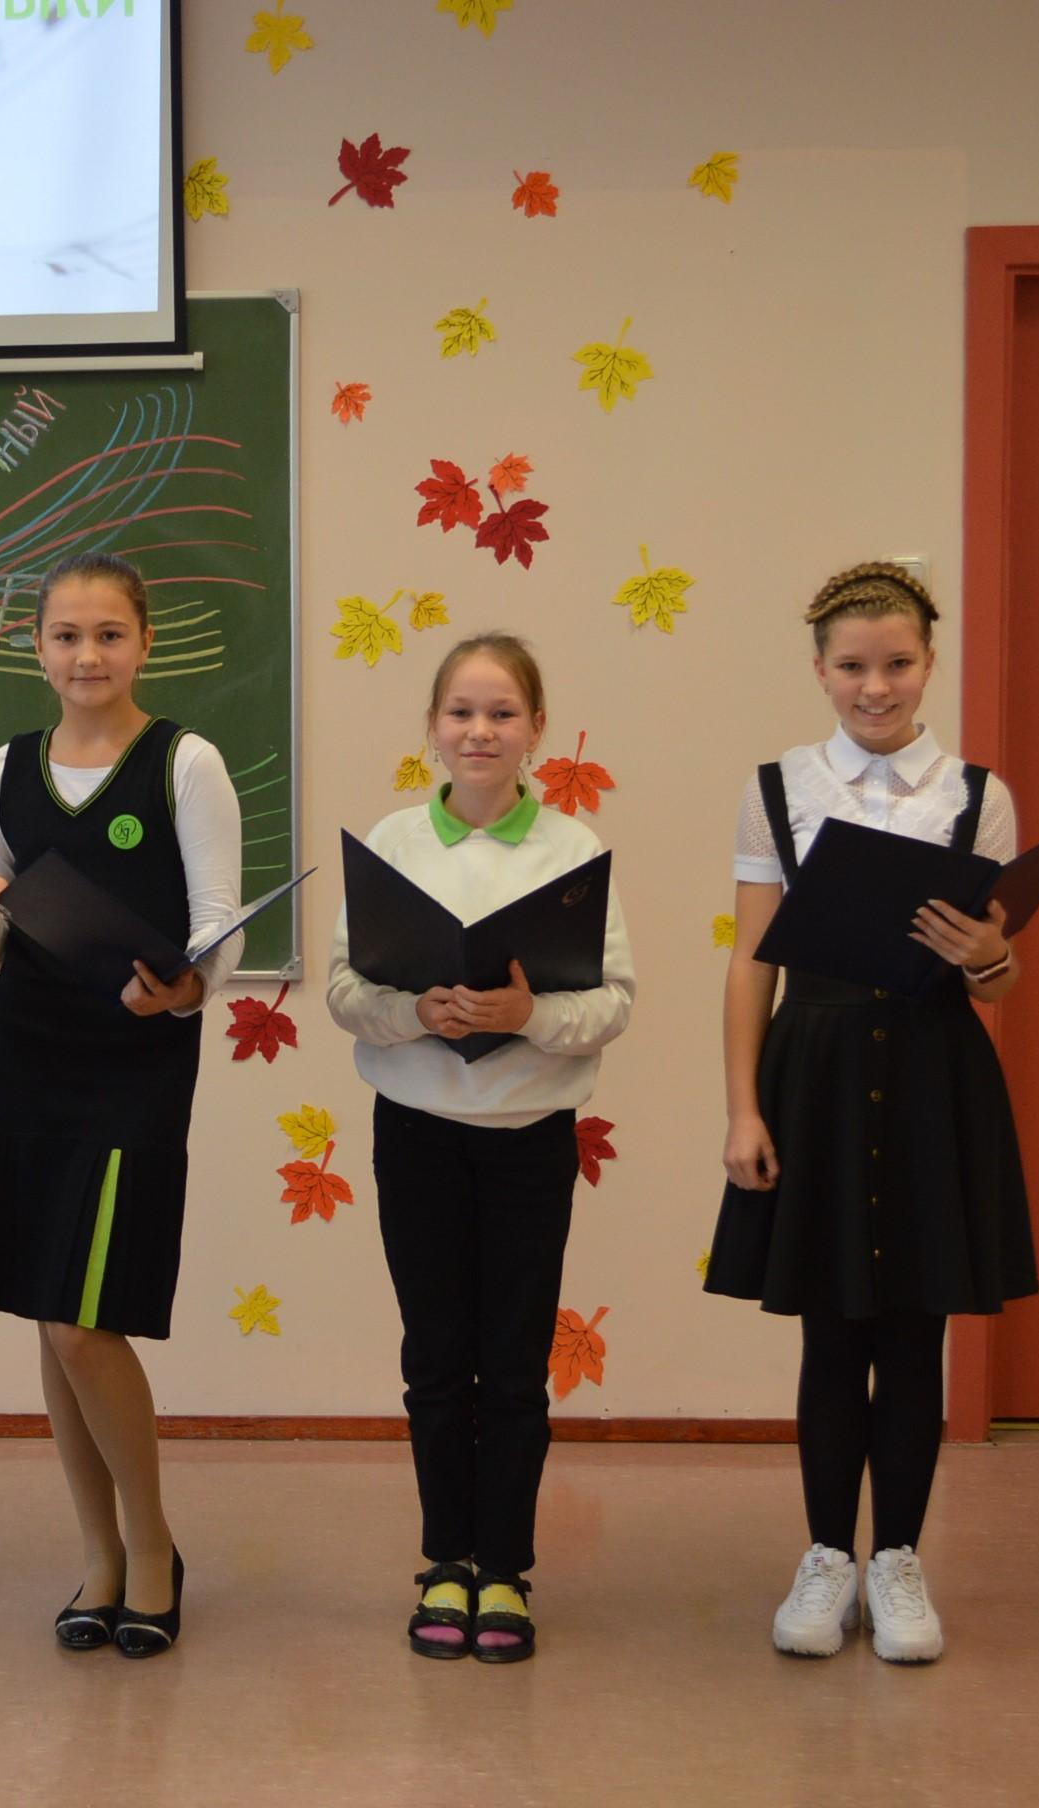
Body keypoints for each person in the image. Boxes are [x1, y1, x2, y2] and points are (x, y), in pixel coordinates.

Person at [710, 561, 1034, 1665]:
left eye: (898, 663)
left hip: (937, 1074)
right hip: (816, 1073)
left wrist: (990, 956)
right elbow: (752, 962)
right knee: (830, 1328)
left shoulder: (979, 796)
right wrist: (743, 1109)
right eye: (852, 666)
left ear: (929, 663)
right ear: (820, 670)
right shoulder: (778, 787)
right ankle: (825, 1557)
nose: (876, 686)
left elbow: (998, 982)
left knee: (913, 1331)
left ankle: (896, 1557)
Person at [0, 551, 242, 1660]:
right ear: (36, 648)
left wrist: (187, 987)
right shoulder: (3, 768)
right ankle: (100, 1555)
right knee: (50, 1309)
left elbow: (219, 921)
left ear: (144, 643)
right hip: (30, 1055)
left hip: (134, 1059)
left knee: (85, 1321)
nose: (88, 655)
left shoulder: (186, 762)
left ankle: (154, 1544)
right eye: (67, 635)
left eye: (109, 633)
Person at [325, 632, 634, 1665]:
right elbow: (344, 990)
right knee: (434, 1359)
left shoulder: (575, 851)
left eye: (502, 712)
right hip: (414, 1135)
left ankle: (504, 1567)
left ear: (536, 728)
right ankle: (445, 1561)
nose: (480, 730)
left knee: (511, 1366)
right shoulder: (394, 841)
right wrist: (414, 1010)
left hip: (528, 1142)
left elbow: (615, 1002)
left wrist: (527, 1012)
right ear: (432, 727)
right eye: (461, 711)